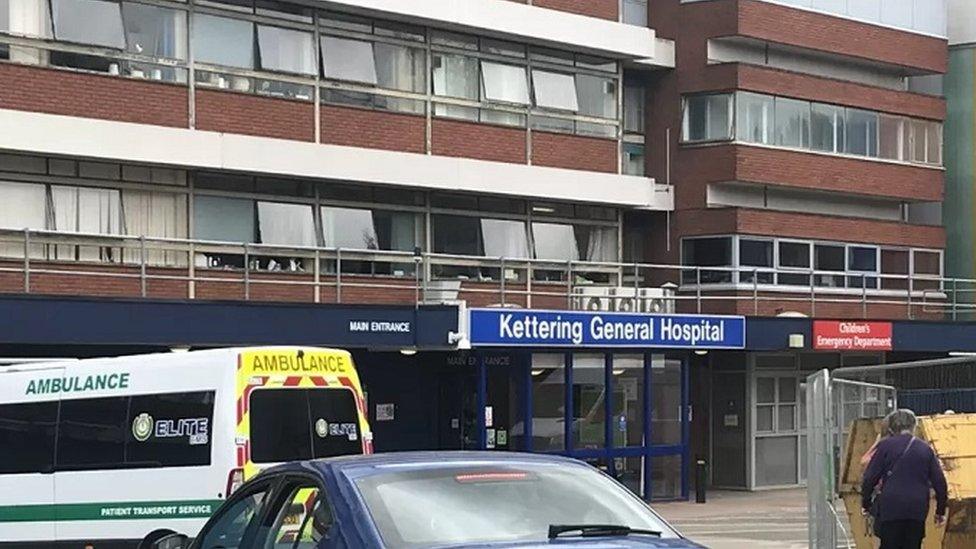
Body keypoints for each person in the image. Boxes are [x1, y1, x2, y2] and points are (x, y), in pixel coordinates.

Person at [861, 409, 948, 549]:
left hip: (891, 509)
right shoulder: (925, 449)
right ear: (914, 426)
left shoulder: (884, 447)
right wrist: (940, 511)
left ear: (891, 427)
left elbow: (870, 478)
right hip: (917, 509)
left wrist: (865, 503)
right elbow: (940, 483)